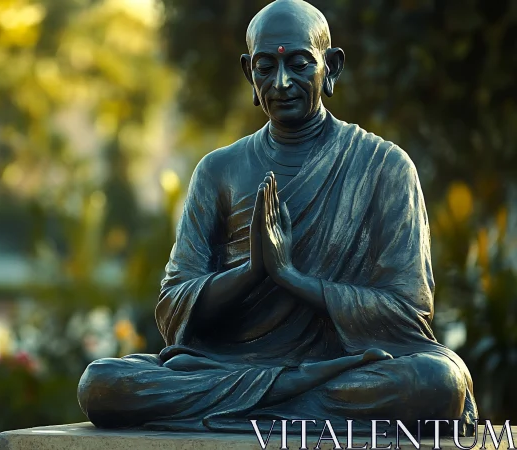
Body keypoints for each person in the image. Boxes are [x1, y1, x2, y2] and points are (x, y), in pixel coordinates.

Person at [77, 0, 478, 434]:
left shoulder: (384, 167)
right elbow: (174, 308)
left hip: (342, 367)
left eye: (300, 65)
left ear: (333, 67)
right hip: (231, 367)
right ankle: (293, 398)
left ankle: (272, 400)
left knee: (437, 383)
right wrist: (252, 271)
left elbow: (407, 312)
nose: (282, 82)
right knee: (102, 384)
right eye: (266, 67)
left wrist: (292, 277)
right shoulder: (219, 171)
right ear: (249, 73)